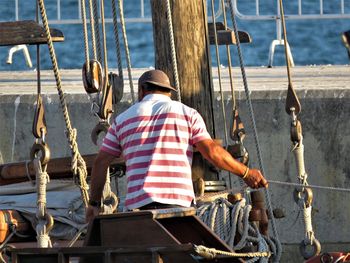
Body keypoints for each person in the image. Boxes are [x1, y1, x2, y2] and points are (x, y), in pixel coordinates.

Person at [86, 69, 268, 222]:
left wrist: (93, 204)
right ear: (168, 92)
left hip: (138, 211)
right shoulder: (187, 113)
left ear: (141, 91)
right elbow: (212, 152)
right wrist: (245, 172)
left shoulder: (122, 120)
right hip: (177, 207)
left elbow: (101, 163)